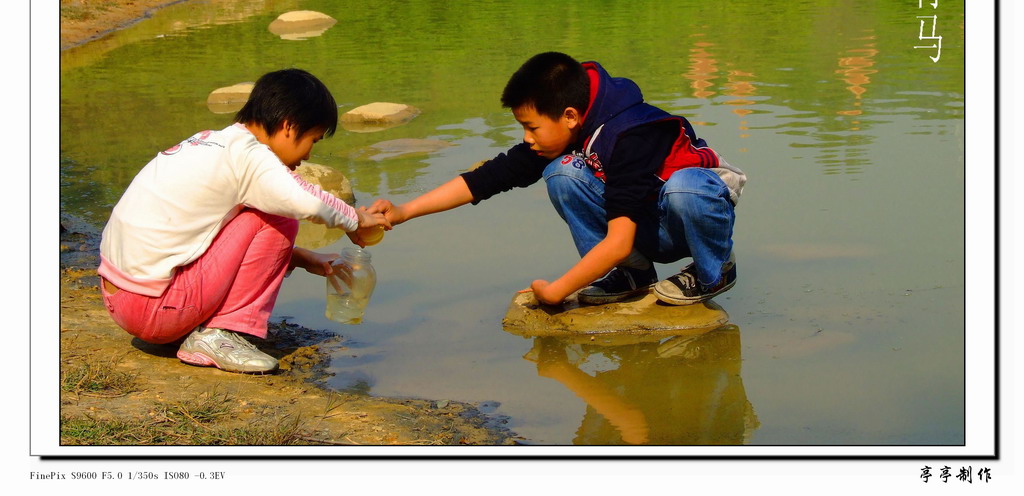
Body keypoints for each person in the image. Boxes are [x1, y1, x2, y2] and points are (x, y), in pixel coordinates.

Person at [369, 52, 746, 307]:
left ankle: (713, 271)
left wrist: (557, 291)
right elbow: (486, 179)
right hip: (643, 220)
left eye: (530, 127)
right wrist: (403, 211)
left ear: (569, 116)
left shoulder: (632, 134)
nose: (526, 138)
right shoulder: (572, 126)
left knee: (686, 188)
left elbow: (617, 241)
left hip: (688, 218)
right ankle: (633, 276)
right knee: (563, 173)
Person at [97, 69, 389, 374]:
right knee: (279, 218)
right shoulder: (251, 157)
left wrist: (302, 259)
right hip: (154, 311)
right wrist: (356, 219)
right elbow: (307, 199)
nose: (308, 155)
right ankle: (220, 335)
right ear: (289, 126)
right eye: (312, 140)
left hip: (120, 300)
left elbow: (212, 236)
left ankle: (205, 329)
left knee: (253, 213)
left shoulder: (211, 142)